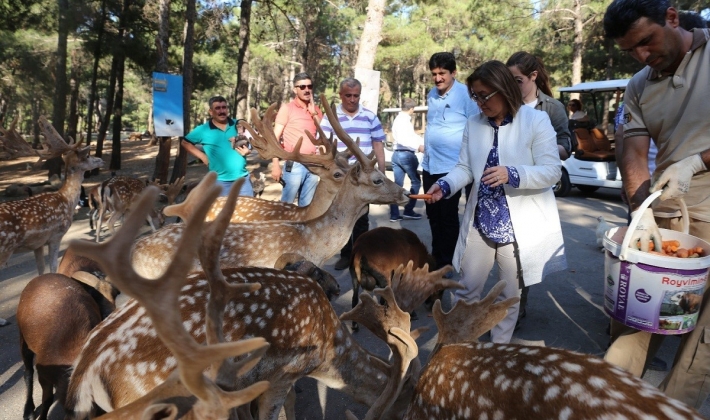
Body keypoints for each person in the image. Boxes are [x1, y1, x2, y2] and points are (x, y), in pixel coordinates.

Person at [603, 0, 710, 409]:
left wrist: (698, 160)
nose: (642, 57)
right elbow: (632, 150)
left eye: (646, 42)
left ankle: (673, 412)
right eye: (631, 51)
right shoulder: (639, 84)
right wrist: (639, 210)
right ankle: (600, 402)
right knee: (636, 319)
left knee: (702, 340)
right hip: (667, 216)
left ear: (671, 17)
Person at [425, 60, 567, 344]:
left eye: (485, 95)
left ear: (504, 89)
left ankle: (498, 353)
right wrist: (445, 184)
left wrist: (512, 173)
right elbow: (465, 168)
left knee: (508, 296)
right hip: (481, 221)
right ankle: (460, 347)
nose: (479, 103)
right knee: (465, 289)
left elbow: (551, 170)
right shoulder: (474, 124)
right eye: (475, 96)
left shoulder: (535, 120)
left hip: (518, 226)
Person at [506, 51, 573, 329]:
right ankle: (507, 306)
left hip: (534, 190)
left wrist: (544, 150)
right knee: (506, 254)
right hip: (506, 187)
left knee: (525, 253)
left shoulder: (552, 108)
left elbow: (567, 146)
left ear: (533, 77)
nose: (512, 86)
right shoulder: (505, 104)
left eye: (517, 80)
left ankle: (515, 310)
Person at [320, 78, 387, 270]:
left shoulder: (369, 116)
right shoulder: (330, 118)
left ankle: (360, 255)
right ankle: (345, 253)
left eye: (356, 95)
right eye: (348, 95)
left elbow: (378, 144)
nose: (352, 99)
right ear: (341, 95)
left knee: (361, 216)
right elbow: (324, 145)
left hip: (362, 178)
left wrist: (381, 172)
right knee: (341, 217)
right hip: (341, 176)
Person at [422, 52, 480, 273]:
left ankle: (448, 262)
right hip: (430, 164)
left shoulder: (466, 95)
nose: (438, 78)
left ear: (453, 73)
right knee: (433, 215)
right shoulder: (431, 95)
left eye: (442, 73)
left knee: (447, 217)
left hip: (453, 168)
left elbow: (476, 127)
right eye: (434, 74)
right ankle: (437, 257)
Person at [182, 96, 253, 196]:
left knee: (247, 212)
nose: (221, 111)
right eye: (217, 108)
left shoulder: (238, 124)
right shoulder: (203, 130)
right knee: (223, 212)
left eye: (224, 107)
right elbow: (185, 142)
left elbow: (251, 142)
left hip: (243, 180)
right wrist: (203, 157)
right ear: (211, 112)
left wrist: (248, 150)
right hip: (219, 182)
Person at [271, 72, 324, 206]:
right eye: (302, 87)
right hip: (294, 164)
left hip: (313, 164)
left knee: (306, 207)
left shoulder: (317, 110)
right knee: (286, 206)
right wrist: (276, 165)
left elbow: (324, 134)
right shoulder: (287, 109)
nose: (307, 90)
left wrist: (313, 113)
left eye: (309, 86)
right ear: (295, 89)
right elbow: (274, 138)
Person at [389, 98, 424, 222]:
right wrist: (418, 146)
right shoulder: (404, 121)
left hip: (396, 154)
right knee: (416, 182)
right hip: (406, 154)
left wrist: (421, 141)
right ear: (412, 109)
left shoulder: (398, 119)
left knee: (397, 185)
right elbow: (405, 139)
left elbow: (410, 136)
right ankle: (408, 210)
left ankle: (394, 214)